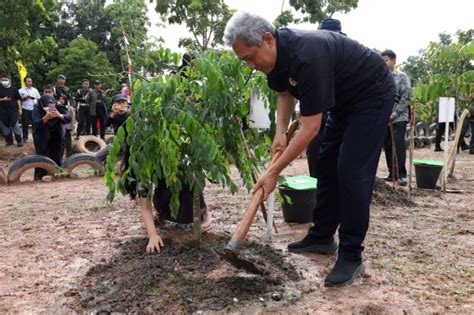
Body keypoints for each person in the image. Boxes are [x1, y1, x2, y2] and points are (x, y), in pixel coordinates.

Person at [224, 12, 395, 287]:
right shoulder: (275, 60)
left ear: (268, 39)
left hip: (371, 95)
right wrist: (280, 132)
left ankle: (351, 254)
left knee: (351, 170)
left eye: (250, 57)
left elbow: (310, 128)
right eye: (244, 61)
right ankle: (323, 235)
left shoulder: (308, 54)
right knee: (324, 162)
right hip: (341, 102)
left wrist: (274, 173)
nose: (250, 65)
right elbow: (284, 93)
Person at [305, 18, 345, 178]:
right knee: (315, 154)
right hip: (319, 117)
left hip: (341, 117)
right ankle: (316, 191)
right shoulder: (314, 56)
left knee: (339, 160)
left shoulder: (346, 55)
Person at [381, 50, 411, 186]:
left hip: (399, 117)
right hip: (384, 119)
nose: (384, 62)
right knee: (387, 145)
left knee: (398, 145)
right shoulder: (380, 78)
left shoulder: (402, 77)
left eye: (386, 60)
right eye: (382, 60)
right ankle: (392, 173)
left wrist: (394, 114)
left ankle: (402, 174)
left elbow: (405, 98)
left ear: (394, 61)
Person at [32, 95, 71, 180]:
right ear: (42, 104)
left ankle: (56, 175)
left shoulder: (58, 106)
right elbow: (35, 124)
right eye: (47, 105)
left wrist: (60, 115)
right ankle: (40, 177)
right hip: (41, 134)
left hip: (56, 134)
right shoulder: (37, 108)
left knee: (56, 155)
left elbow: (68, 118)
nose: (49, 107)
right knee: (42, 156)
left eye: (51, 104)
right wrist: (46, 117)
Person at [0, 74, 22, 147]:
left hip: (13, 110)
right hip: (2, 111)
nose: (4, 81)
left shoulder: (14, 89)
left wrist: (20, 109)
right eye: (3, 80)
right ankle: (9, 141)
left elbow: (18, 99)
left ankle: (19, 141)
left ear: (9, 80)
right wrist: (3, 99)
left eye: (6, 80)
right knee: (5, 126)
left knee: (15, 125)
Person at [19, 77, 41, 143]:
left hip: (34, 108)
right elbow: (18, 100)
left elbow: (39, 99)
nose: (30, 82)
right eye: (28, 81)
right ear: (25, 82)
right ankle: (25, 137)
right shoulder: (20, 90)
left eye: (31, 81)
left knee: (35, 123)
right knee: (25, 124)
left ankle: (36, 137)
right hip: (25, 108)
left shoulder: (35, 90)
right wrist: (24, 98)